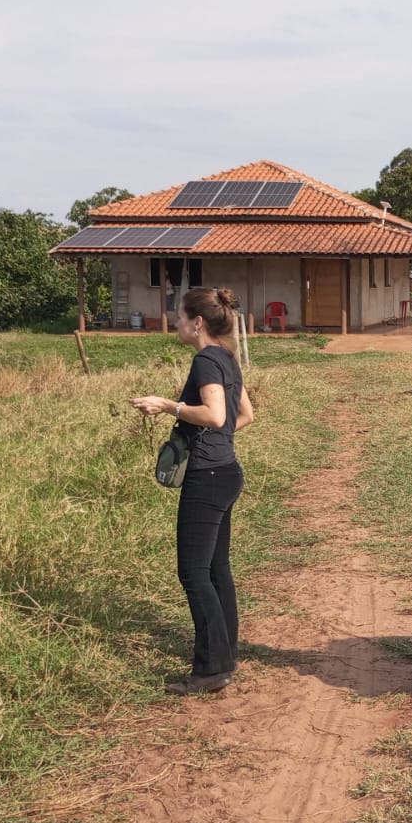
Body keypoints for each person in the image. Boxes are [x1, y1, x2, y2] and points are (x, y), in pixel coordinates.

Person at [131, 287, 256, 695]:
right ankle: (225, 654)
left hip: (207, 478)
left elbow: (217, 414)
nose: (176, 322)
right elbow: (246, 415)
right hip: (225, 470)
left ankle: (211, 668)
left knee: (193, 572)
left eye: (180, 315)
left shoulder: (205, 359)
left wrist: (169, 406)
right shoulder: (227, 357)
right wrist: (215, 443)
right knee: (217, 569)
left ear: (197, 322)